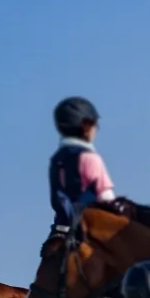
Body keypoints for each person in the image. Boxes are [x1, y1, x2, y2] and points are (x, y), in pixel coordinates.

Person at [49, 97, 116, 228]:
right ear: (86, 126)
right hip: (91, 228)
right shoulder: (90, 158)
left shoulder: (56, 160)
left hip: (63, 228)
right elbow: (107, 199)